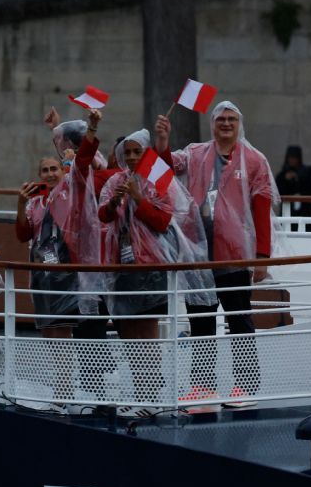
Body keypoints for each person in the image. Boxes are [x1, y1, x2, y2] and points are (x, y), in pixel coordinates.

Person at [156, 103, 277, 405]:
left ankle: (246, 387)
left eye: (231, 119)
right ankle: (203, 386)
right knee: (200, 319)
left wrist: (262, 256)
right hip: (199, 250)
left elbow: (262, 209)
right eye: (220, 119)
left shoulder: (254, 159)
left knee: (239, 319)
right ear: (211, 124)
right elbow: (164, 169)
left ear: (239, 123)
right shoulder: (196, 153)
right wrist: (162, 143)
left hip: (235, 253)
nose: (225, 123)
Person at [98, 129, 214, 409]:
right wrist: (115, 201)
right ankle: (140, 392)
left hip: (151, 265)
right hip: (122, 265)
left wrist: (138, 197)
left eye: (138, 151)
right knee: (127, 330)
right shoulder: (116, 180)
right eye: (128, 152)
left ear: (147, 152)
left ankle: (150, 397)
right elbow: (102, 215)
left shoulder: (159, 179)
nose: (132, 156)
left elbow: (163, 220)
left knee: (146, 332)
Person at [16, 108, 105, 403]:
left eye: (55, 169)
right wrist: (20, 204)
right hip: (43, 273)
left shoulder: (72, 190)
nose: (51, 174)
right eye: (45, 171)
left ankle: (71, 392)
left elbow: (82, 160)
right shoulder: (36, 203)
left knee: (66, 333)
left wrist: (90, 129)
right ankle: (61, 389)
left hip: (67, 271)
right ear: (39, 175)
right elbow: (23, 235)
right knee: (50, 335)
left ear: (63, 171)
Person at [276, 145, 311, 224]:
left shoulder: (306, 172)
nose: (292, 160)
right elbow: (278, 192)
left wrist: (299, 177)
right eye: (290, 158)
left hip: (304, 212)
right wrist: (286, 179)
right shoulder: (282, 175)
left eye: (294, 158)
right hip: (288, 213)